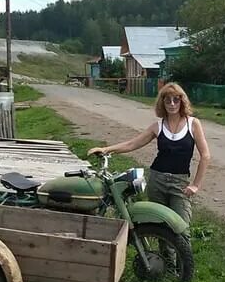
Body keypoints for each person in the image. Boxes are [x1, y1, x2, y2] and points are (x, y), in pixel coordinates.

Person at [87, 82, 210, 230]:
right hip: (157, 181)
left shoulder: (193, 124)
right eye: (167, 100)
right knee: (159, 226)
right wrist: (105, 149)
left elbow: (205, 156)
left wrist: (195, 185)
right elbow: (132, 144)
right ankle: (164, 254)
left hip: (180, 183)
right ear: (162, 103)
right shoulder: (157, 126)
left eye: (176, 100)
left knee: (182, 228)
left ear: (182, 101)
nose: (172, 104)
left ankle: (181, 253)